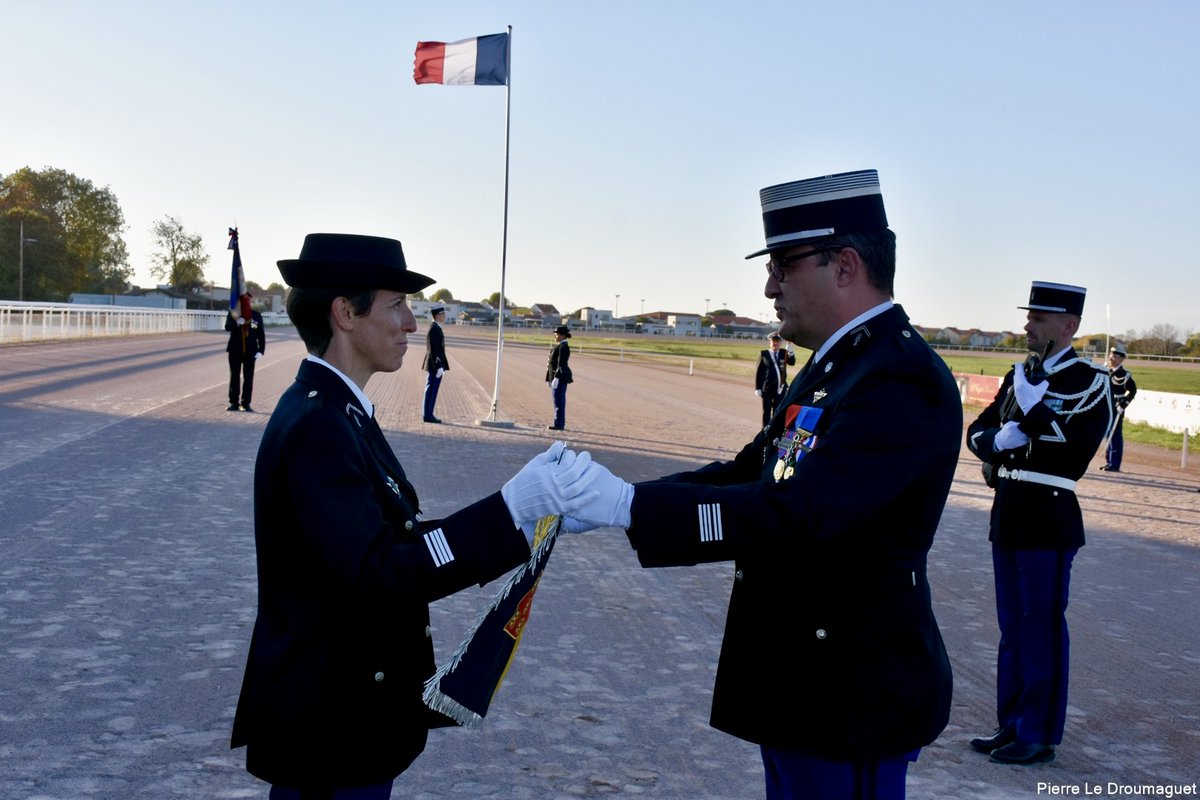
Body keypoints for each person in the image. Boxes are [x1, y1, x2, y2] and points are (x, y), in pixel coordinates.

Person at [562, 170, 962, 799]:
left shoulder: (897, 378)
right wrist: (625, 499)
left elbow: (803, 512)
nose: (769, 285)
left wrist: (633, 508)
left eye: (782, 264)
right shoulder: (842, 363)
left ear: (845, 264)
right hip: (806, 679)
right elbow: (754, 469)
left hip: (848, 689)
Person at [230, 232, 597, 798]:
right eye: (396, 303)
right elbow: (379, 573)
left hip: (342, 720)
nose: (410, 322)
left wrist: (520, 522)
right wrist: (506, 508)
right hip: (332, 729)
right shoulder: (319, 428)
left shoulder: (337, 410)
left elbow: (386, 542)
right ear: (345, 314)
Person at [965, 281, 1113, 765]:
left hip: (1049, 515)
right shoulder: (1019, 374)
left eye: (1040, 318)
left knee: (1041, 627)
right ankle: (1011, 723)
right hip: (1008, 511)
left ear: (1069, 326)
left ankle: (1039, 733)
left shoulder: (1090, 383)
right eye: (1030, 316)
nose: (1027, 325)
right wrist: (1001, 437)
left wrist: (1031, 413)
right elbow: (978, 433)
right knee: (1012, 626)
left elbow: (1075, 451)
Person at [1100, 345, 1137, 472]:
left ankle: (1114, 463)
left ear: (1121, 359)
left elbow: (1132, 390)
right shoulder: (1105, 370)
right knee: (1108, 433)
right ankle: (1109, 461)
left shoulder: (1123, 374)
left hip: (1117, 406)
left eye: (1115, 356)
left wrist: (1124, 404)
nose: (1111, 357)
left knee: (1115, 434)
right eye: (1111, 354)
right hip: (1106, 406)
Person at [226, 298, 267, 412]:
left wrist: (261, 350)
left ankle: (246, 403)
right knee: (234, 376)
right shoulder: (233, 314)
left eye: (247, 302)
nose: (245, 304)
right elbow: (227, 327)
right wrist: (236, 322)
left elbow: (261, 334)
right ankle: (234, 403)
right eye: (242, 302)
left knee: (248, 377)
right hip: (235, 350)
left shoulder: (256, 315)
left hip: (250, 351)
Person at [754, 331, 796, 427]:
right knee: (767, 410)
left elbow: (792, 362)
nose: (775, 343)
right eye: (773, 341)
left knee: (778, 409)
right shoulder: (764, 354)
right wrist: (758, 387)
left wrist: (790, 351)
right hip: (767, 387)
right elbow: (759, 372)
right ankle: (765, 429)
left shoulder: (783, 353)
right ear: (770, 342)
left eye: (777, 341)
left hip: (780, 387)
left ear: (780, 343)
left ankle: (775, 428)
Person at [421, 305, 448, 423]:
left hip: (436, 364)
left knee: (432, 390)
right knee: (431, 390)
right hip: (434, 365)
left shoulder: (437, 328)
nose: (445, 316)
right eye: (443, 314)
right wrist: (438, 366)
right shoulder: (434, 329)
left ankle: (428, 413)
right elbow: (433, 349)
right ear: (437, 316)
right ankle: (427, 415)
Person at [545, 325, 573, 430]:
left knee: (559, 401)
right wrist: (549, 378)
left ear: (562, 335)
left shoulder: (563, 347)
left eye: (556, 334)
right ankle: (558, 422)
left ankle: (559, 424)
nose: (555, 336)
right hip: (555, 378)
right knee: (557, 401)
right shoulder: (559, 346)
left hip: (560, 378)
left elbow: (561, 364)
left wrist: (556, 377)